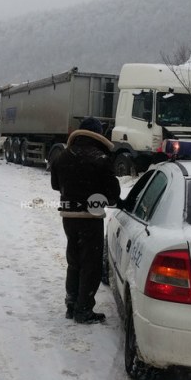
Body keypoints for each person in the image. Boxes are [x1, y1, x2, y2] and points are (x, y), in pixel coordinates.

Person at [50, 116, 120, 324]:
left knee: (74, 261)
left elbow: (55, 185)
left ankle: (71, 305)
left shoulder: (62, 156)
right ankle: (83, 310)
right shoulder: (101, 158)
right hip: (90, 217)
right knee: (91, 264)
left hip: (69, 217)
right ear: (98, 135)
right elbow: (112, 194)